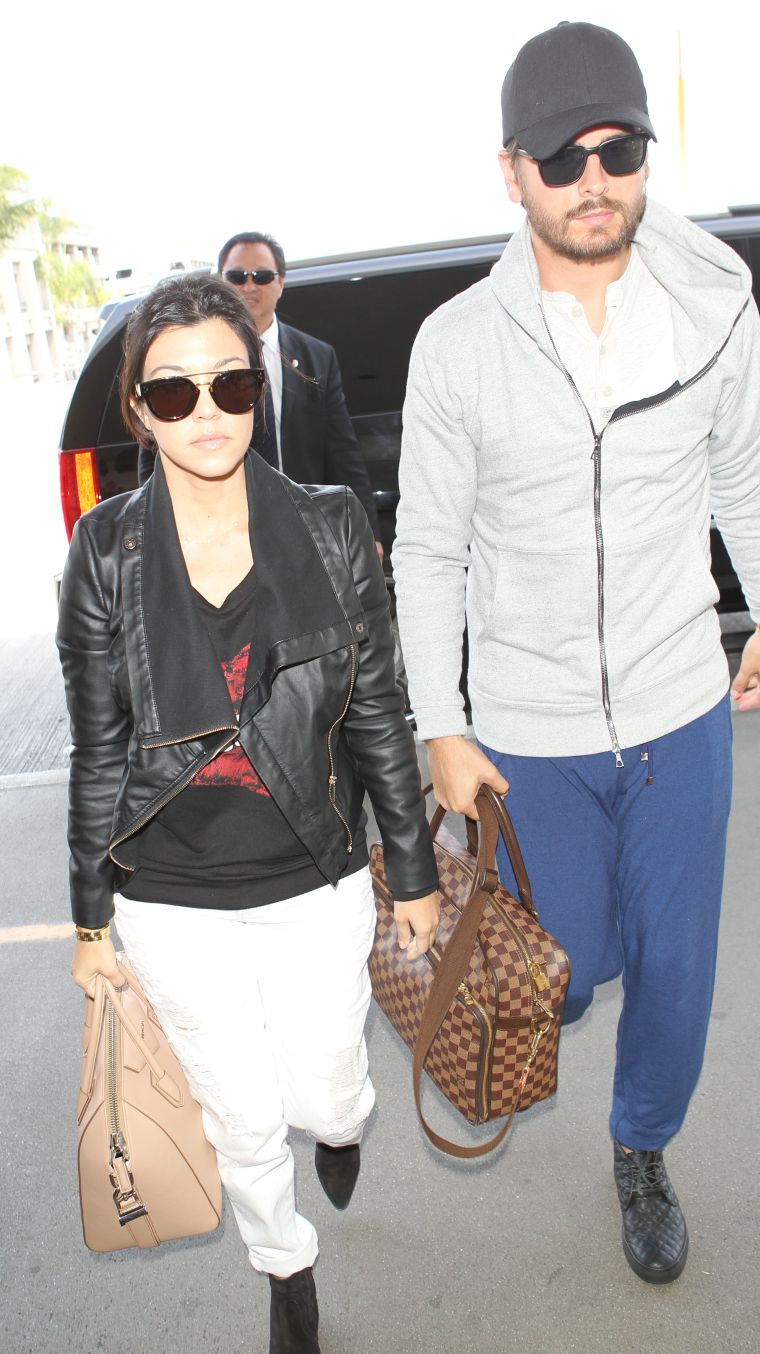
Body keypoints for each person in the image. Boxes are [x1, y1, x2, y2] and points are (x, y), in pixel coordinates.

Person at [392, 20, 760, 1286]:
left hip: (676, 710)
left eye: (619, 149)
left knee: (676, 961)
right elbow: (426, 551)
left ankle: (641, 1147)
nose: (594, 178)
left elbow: (743, 479)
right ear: (512, 174)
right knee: (572, 962)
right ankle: (574, 965)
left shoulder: (715, 306)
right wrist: (439, 725)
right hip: (527, 731)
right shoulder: (456, 347)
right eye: (564, 158)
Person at [57, 272, 439, 1353]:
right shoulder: (104, 551)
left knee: (326, 1094)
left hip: (312, 873)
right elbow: (97, 748)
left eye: (228, 382)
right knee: (239, 1113)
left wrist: (407, 868)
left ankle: (342, 1127)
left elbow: (377, 708)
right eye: (172, 393)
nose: (207, 411)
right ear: (138, 407)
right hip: (169, 893)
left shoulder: (327, 525)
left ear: (255, 390)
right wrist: (90, 919)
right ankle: (286, 1265)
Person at [217, 229, 384, 560]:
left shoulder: (317, 358)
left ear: (281, 282)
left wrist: (367, 533)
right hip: (223, 538)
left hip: (303, 536)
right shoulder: (198, 355)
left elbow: (342, 453)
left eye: (262, 276)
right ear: (220, 281)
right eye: (237, 276)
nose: (249, 286)